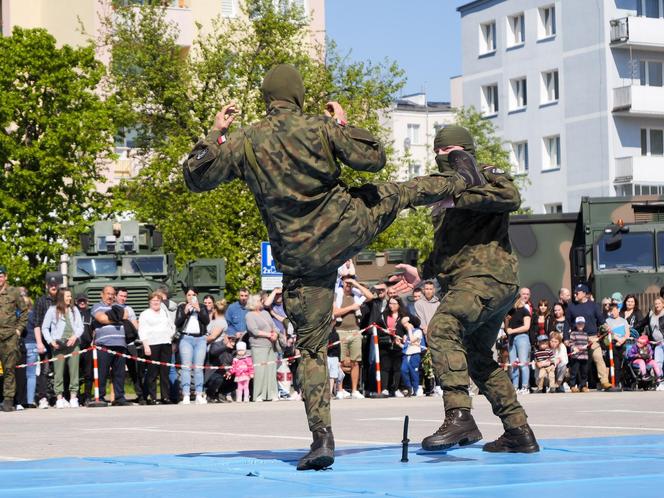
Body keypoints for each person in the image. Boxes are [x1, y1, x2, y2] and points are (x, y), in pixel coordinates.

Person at [183, 63, 484, 470]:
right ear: (298, 94)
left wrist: (216, 134)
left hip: (299, 258)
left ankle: (321, 439)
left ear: (267, 97)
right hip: (346, 228)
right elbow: (372, 157)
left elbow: (196, 177)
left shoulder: (243, 139)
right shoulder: (319, 127)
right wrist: (341, 124)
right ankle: (463, 181)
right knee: (395, 192)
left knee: (309, 348)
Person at [390, 124, 539, 454]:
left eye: (448, 152)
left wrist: (459, 195)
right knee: (475, 357)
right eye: (439, 153)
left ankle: (459, 416)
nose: (441, 157)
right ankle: (518, 430)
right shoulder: (444, 189)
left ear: (462, 152)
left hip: (485, 278)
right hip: (476, 284)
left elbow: (510, 198)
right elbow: (447, 249)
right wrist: (423, 275)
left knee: (442, 329)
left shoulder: (483, 175)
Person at [41, 288, 83, 408]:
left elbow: (80, 327)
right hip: (59, 345)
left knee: (74, 371)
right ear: (61, 297)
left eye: (70, 296)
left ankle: (73, 397)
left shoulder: (74, 310)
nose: (70, 298)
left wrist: (74, 337)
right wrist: (51, 341)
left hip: (73, 345)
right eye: (67, 296)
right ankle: (59, 397)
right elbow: (44, 327)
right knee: (58, 372)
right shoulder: (52, 310)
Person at [565, 283, 612, 390]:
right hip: (577, 339)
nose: (575, 294)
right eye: (575, 292)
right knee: (579, 363)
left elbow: (601, 320)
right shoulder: (571, 307)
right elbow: (567, 323)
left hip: (592, 338)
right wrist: (566, 338)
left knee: (598, 358)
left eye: (578, 292)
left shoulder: (594, 305)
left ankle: (604, 381)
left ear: (585, 294)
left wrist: (606, 327)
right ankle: (577, 385)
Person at [334, 276, 373, 399]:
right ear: (342, 283)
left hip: (355, 331)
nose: (348, 285)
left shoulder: (356, 295)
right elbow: (335, 312)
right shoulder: (337, 294)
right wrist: (351, 308)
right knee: (340, 362)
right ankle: (340, 389)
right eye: (346, 282)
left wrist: (356, 284)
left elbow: (370, 296)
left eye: (350, 282)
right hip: (340, 331)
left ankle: (355, 390)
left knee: (355, 361)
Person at [92, 286, 130, 406]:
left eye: (112, 294)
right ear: (101, 294)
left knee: (119, 374)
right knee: (102, 373)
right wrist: (117, 319)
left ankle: (119, 398)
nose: (110, 296)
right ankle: (101, 397)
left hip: (120, 344)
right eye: (108, 293)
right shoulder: (97, 306)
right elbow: (101, 319)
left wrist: (113, 317)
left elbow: (125, 316)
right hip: (104, 345)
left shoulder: (119, 306)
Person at [0, 265, 28, 412]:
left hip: (9, 336)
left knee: (9, 369)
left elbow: (24, 311)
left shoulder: (14, 292)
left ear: (6, 277)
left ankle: (8, 400)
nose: (0, 278)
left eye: (1, 275)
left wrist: (18, 330)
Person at [175, 287, 210, 405]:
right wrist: (185, 312)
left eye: (193, 294)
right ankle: (186, 395)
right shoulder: (181, 307)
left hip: (200, 339)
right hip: (186, 339)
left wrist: (199, 310)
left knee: (199, 368)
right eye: (188, 295)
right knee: (186, 367)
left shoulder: (202, 307)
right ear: (186, 296)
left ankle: (199, 394)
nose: (191, 297)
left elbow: (206, 321)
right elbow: (177, 322)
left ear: (197, 295)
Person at [138, 292, 175, 405]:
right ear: (149, 302)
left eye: (158, 300)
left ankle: (165, 397)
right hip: (152, 344)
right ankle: (153, 397)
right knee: (152, 372)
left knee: (165, 372)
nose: (156, 302)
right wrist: (145, 345)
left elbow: (171, 325)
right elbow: (142, 330)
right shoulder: (145, 314)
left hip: (165, 343)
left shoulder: (164, 312)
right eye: (153, 300)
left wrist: (170, 336)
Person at [32, 275, 59, 409]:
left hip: (60, 341)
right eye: (51, 284)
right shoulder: (41, 301)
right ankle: (42, 397)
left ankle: (60, 396)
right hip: (45, 340)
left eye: (55, 284)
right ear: (47, 286)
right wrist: (39, 343)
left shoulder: (62, 299)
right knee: (45, 369)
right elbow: (36, 323)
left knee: (60, 369)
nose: (53, 286)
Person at [245, 294, 279, 402]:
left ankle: (272, 394)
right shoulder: (249, 315)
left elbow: (274, 326)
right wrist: (269, 335)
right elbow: (254, 331)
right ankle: (259, 395)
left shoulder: (265, 313)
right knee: (260, 371)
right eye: (260, 300)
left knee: (271, 370)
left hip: (271, 345)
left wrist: (276, 334)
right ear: (255, 302)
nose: (262, 302)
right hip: (258, 346)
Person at [116, 288, 143, 403]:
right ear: (116, 296)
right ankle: (119, 397)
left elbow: (135, 325)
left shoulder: (129, 309)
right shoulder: (111, 308)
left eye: (125, 296)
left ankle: (141, 395)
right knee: (119, 371)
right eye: (121, 296)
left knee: (135, 370)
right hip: (117, 344)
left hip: (130, 344)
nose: (123, 298)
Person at [506, 297, 532, 394]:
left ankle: (525, 386)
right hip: (512, 338)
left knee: (523, 363)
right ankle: (515, 386)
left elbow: (526, 327)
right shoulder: (511, 311)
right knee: (513, 364)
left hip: (522, 338)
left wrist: (513, 331)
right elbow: (507, 326)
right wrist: (507, 321)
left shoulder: (525, 311)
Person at [604, 302, 630, 387]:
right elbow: (609, 333)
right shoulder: (608, 321)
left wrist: (622, 340)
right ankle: (615, 382)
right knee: (616, 364)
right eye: (611, 311)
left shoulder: (624, 321)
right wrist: (618, 340)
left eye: (614, 310)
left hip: (623, 343)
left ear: (618, 310)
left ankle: (624, 382)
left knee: (624, 363)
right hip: (614, 344)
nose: (613, 312)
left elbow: (627, 333)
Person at [76, 294, 94, 404]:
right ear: (76, 302)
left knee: (88, 374)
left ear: (87, 302)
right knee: (74, 374)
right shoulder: (72, 312)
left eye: (84, 301)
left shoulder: (90, 313)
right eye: (80, 301)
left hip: (88, 347)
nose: (82, 303)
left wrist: (93, 341)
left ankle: (87, 396)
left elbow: (94, 329)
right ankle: (76, 396)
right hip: (75, 347)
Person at [566, 316, 590, 392]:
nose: (580, 325)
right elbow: (571, 343)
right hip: (576, 356)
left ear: (584, 324)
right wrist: (574, 348)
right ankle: (572, 386)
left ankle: (583, 386)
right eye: (578, 324)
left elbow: (588, 343)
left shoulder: (586, 334)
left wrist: (592, 341)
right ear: (576, 324)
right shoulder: (573, 333)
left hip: (584, 356)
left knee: (584, 372)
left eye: (582, 324)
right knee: (574, 372)